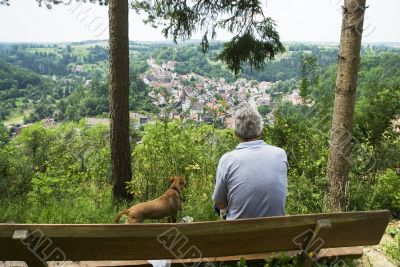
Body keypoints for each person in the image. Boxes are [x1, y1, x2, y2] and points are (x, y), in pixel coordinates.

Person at [213, 104, 288, 220]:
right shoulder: (280, 154)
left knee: (217, 207)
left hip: (240, 234)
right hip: (275, 232)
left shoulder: (227, 160)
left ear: (236, 133)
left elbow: (219, 202)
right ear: (260, 131)